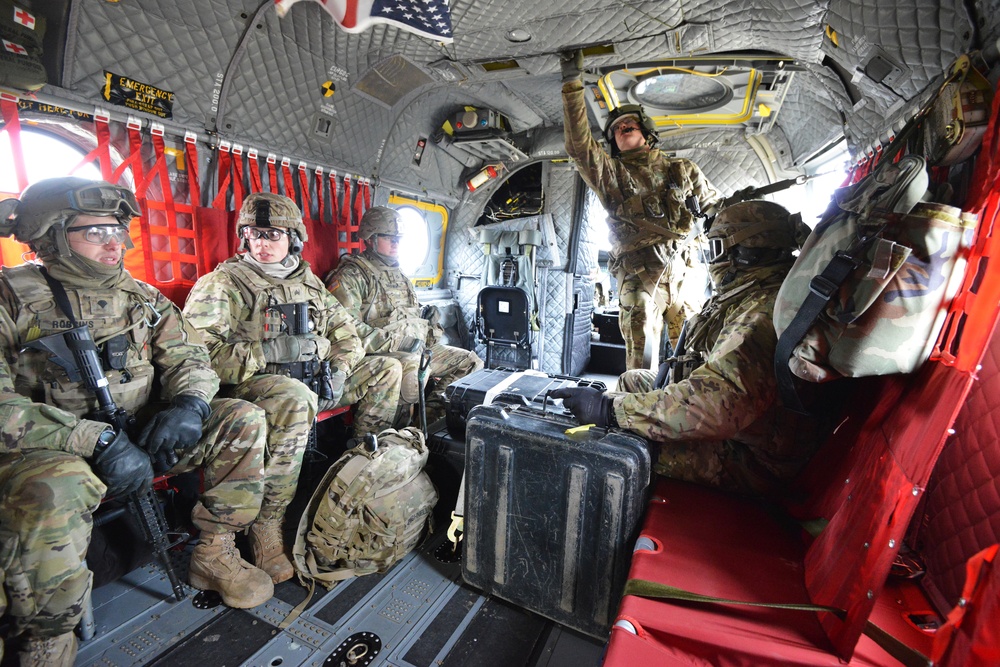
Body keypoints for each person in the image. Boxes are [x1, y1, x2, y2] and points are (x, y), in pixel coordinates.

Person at [0, 178, 272, 666]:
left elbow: (191, 358)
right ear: (53, 236)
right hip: (52, 448)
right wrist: (93, 439)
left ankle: (214, 551)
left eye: (119, 229)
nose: (116, 243)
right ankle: (45, 639)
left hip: (138, 432)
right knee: (55, 485)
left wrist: (189, 405)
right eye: (97, 231)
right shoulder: (11, 298)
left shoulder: (140, 296)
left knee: (242, 418)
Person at [182, 193, 404, 582]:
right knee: (294, 397)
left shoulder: (307, 282)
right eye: (253, 234)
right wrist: (265, 351)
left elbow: (348, 334)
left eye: (273, 235)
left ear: (294, 238)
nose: (262, 244)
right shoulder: (222, 284)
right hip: (253, 387)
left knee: (385, 369)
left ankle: (358, 474)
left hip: (315, 378)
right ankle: (268, 523)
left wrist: (339, 365)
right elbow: (198, 358)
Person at [552, 201, 818, 497]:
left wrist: (608, 409)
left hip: (753, 461)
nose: (712, 258)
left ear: (743, 250)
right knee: (632, 380)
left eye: (717, 247)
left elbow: (718, 401)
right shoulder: (749, 294)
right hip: (747, 428)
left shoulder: (762, 312)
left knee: (618, 445)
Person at [560, 49, 720, 370]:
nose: (622, 128)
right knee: (642, 361)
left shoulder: (682, 169)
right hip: (639, 278)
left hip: (683, 277)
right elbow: (579, 147)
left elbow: (718, 211)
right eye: (616, 128)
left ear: (647, 132)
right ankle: (636, 412)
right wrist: (571, 83)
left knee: (695, 359)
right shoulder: (613, 176)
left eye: (629, 123)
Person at [325, 206, 484, 427]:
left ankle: (426, 426)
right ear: (370, 238)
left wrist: (428, 324)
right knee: (408, 374)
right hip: (377, 354)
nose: (396, 243)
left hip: (414, 349)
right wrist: (397, 341)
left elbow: (406, 319)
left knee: (470, 362)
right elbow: (345, 330)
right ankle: (374, 443)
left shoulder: (399, 275)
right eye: (389, 237)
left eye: (399, 238)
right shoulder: (352, 276)